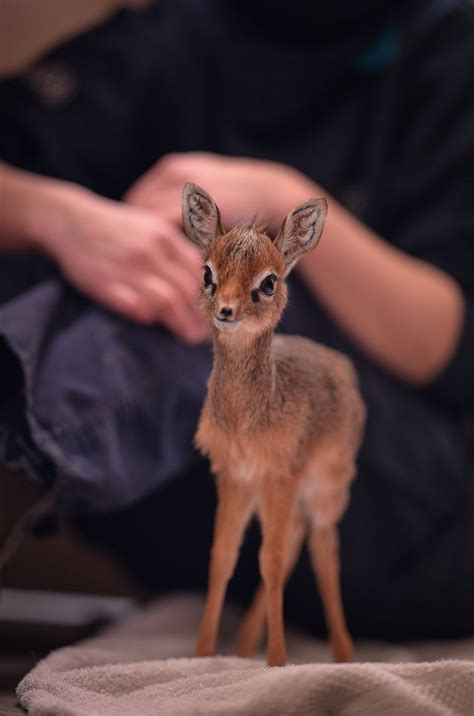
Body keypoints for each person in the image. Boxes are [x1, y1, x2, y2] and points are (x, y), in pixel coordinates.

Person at [1, 0, 473, 640]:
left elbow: (444, 347)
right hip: (196, 498)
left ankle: (24, 443)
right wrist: (62, 220)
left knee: (227, 307)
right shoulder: (163, 40)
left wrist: (281, 196)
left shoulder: (446, 44)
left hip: (414, 505)